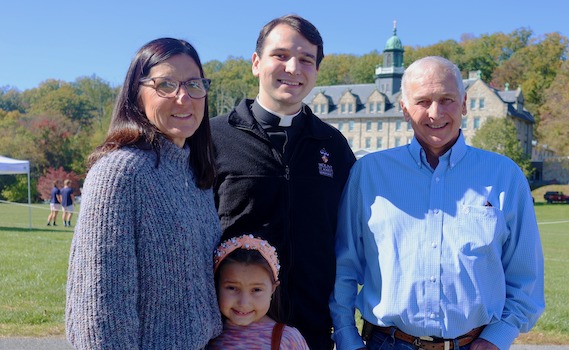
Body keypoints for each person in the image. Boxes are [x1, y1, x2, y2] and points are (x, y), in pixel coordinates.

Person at [329, 56, 545, 350]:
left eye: (447, 99)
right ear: (404, 108)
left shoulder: (504, 175)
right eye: (423, 101)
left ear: (465, 104)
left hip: (473, 344)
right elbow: (344, 265)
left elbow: (526, 276)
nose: (435, 112)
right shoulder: (370, 173)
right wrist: (345, 336)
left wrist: (499, 336)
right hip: (386, 343)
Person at [210, 14, 356, 350]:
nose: (293, 67)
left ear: (316, 72)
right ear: (256, 63)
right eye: (281, 55)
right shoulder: (212, 139)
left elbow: (349, 242)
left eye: (306, 60)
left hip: (311, 332)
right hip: (228, 334)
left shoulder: (333, 146)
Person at [66, 37, 222, 349]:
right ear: (137, 93)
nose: (183, 97)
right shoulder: (120, 172)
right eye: (166, 84)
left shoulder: (196, 174)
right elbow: (99, 311)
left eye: (194, 84)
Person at [207, 234, 309, 349]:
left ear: (273, 289)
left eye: (256, 290)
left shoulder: (287, 339)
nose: (243, 303)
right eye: (232, 288)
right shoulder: (206, 336)